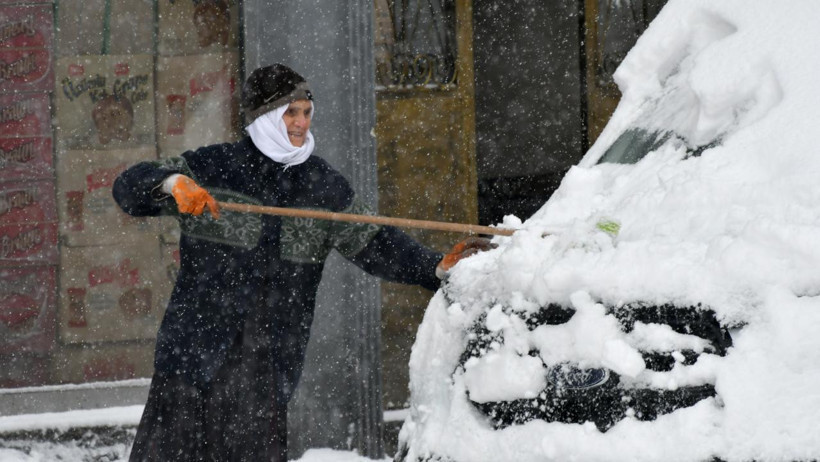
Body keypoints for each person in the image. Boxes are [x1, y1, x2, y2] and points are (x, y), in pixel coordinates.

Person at [113, 63, 492, 462]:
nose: (300, 123)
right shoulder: (213, 168)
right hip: (189, 365)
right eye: (289, 113)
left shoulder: (323, 187)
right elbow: (128, 186)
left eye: (306, 112)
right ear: (263, 116)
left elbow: (377, 243)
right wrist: (172, 184)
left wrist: (435, 267)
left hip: (263, 377)